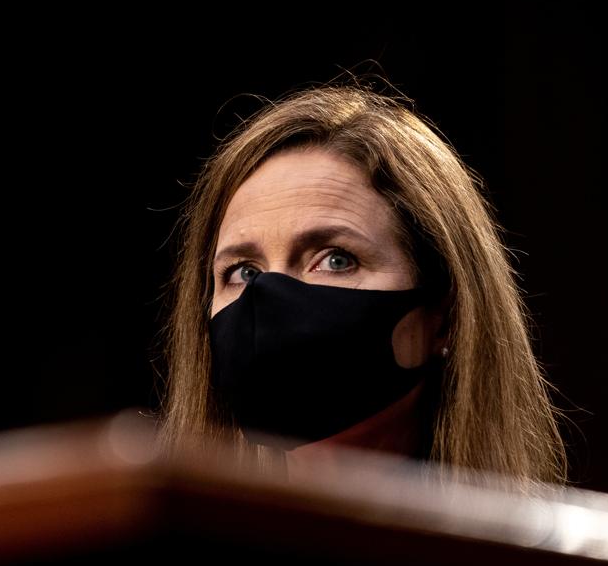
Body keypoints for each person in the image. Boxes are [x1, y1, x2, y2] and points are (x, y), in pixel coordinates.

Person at [156, 83, 569, 491]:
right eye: (243, 271)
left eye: (335, 260)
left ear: (444, 319)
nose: (267, 296)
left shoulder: (529, 557)